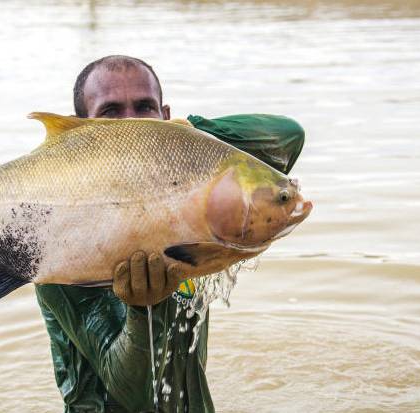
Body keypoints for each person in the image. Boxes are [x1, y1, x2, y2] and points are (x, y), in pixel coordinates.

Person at [35, 55, 305, 413]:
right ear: (83, 132)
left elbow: (288, 135)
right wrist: (142, 310)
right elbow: (134, 395)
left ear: (165, 115)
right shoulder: (59, 245)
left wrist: (183, 137)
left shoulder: (189, 207)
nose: (132, 125)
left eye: (144, 108)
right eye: (110, 113)